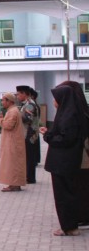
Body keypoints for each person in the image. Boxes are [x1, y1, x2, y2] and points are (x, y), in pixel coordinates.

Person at [40, 81, 89, 236]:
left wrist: (47, 136)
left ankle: (69, 227)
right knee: (68, 193)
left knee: (64, 195)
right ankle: (70, 225)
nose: (54, 101)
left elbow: (65, 139)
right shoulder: (68, 114)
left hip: (64, 162)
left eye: (56, 98)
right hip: (64, 162)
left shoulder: (69, 117)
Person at [0, 92, 26, 192]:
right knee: (12, 163)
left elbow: (8, 126)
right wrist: (1, 118)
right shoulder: (12, 111)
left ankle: (14, 184)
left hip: (13, 142)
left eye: (3, 100)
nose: (2, 102)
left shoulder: (13, 111)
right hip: (12, 141)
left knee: (13, 163)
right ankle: (13, 183)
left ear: (9, 101)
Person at [17, 85, 39, 184]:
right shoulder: (26, 103)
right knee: (28, 156)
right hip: (28, 133)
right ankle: (29, 176)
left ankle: (30, 178)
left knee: (29, 157)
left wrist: (17, 115)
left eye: (18, 94)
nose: (17, 96)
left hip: (29, 134)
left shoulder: (30, 104)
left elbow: (28, 119)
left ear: (24, 94)